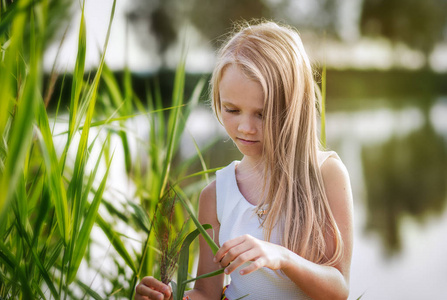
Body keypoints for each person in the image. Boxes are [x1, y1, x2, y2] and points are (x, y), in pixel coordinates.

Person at [135, 20, 353, 300]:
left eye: (261, 113)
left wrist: (282, 257)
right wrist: (170, 298)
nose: (245, 127)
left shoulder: (325, 174)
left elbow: (339, 289)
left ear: (293, 107)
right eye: (232, 110)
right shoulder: (215, 195)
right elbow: (207, 293)